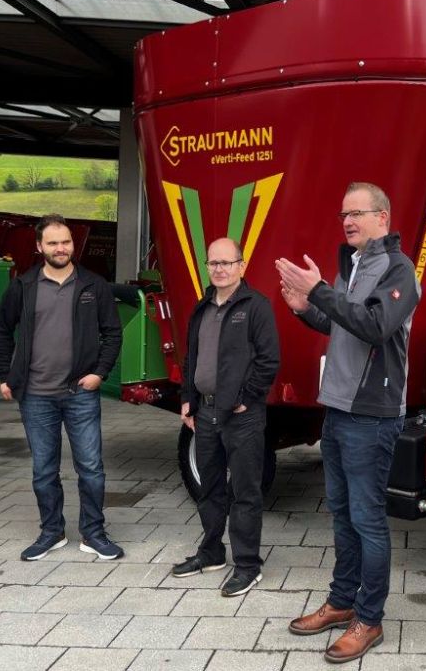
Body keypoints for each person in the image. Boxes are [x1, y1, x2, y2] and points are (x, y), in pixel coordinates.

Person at [276, 182, 420, 664]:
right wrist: (306, 310)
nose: (348, 221)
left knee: (367, 519)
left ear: (384, 216)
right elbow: (343, 324)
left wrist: (317, 289)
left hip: (371, 417)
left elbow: (375, 326)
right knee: (340, 513)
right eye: (344, 214)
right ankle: (341, 602)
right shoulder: (352, 265)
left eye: (357, 213)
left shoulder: (399, 268)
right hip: (336, 410)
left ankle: (369, 618)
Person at [0, 213, 123, 561]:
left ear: (72, 244)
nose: (61, 248)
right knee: (44, 470)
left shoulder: (93, 285)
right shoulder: (23, 286)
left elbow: (113, 332)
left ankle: (93, 534)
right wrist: (5, 375)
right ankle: (52, 532)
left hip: (80, 393)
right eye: (53, 242)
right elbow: (0, 330)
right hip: (35, 395)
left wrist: (100, 373)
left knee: (91, 468)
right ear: (39, 247)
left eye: (65, 241)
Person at [171, 238, 280, 597]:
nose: (219, 269)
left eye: (226, 263)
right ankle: (212, 552)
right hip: (204, 412)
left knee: (245, 492)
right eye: (213, 263)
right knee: (210, 488)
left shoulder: (256, 307)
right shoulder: (202, 308)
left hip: (241, 417)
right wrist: (188, 400)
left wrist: (247, 398)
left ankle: (248, 565)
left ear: (241, 265)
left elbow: (269, 360)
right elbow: (191, 359)